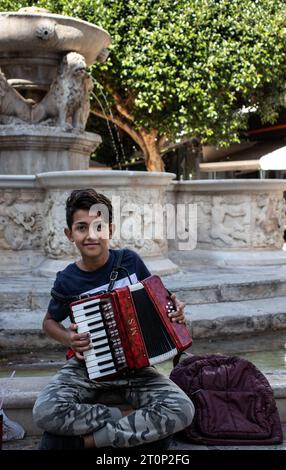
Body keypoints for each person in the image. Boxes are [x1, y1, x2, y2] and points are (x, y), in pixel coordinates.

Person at [32, 188, 194, 450]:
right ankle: (131, 422)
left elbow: (156, 297)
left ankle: (89, 442)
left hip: (137, 368)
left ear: (110, 229)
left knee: (183, 408)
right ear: (69, 234)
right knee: (45, 411)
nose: (91, 235)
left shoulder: (130, 261)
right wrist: (69, 338)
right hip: (86, 369)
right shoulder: (67, 280)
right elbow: (49, 322)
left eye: (98, 226)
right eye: (82, 227)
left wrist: (174, 308)